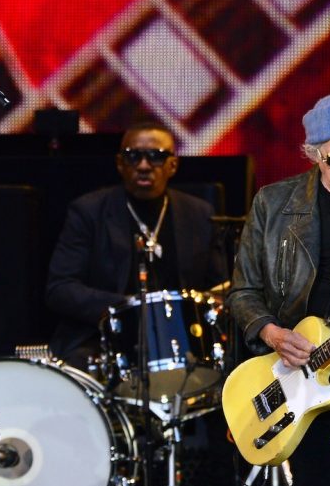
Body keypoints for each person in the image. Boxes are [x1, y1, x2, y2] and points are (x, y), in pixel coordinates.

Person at [227, 94, 330, 486]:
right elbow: (243, 292)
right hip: (303, 372)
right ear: (313, 155)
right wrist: (273, 334)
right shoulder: (274, 204)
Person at [46, 122, 228, 373]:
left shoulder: (199, 214)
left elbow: (218, 288)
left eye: (156, 156)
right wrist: (127, 309)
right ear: (120, 163)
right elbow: (60, 289)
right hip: (103, 340)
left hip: (182, 341)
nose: (144, 165)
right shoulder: (88, 211)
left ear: (172, 165)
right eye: (134, 156)